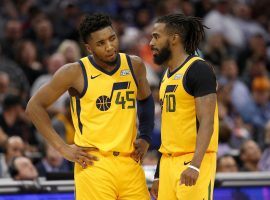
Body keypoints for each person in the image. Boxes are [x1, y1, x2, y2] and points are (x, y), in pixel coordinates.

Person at [26, 13, 154, 200]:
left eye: (112, 39)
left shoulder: (134, 65)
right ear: (89, 47)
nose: (110, 47)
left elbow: (146, 100)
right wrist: (62, 148)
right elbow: (34, 107)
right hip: (95, 164)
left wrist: (145, 136)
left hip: (130, 162)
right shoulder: (74, 72)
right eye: (101, 43)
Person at [149, 14, 219, 200]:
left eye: (156, 36)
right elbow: (169, 129)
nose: (151, 43)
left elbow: (207, 122)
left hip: (193, 160)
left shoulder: (198, 69)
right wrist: (158, 173)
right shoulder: (166, 75)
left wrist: (195, 165)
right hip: (168, 162)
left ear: (174, 38)